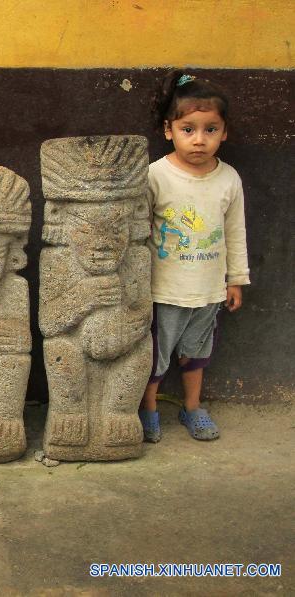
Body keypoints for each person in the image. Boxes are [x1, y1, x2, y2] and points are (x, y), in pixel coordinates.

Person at [139, 71, 250, 442]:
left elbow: (235, 231)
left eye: (210, 129)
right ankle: (149, 410)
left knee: (197, 355)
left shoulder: (228, 179)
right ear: (169, 130)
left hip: (207, 291)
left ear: (224, 132)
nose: (199, 140)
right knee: (157, 356)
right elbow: (138, 231)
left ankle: (192, 407)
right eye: (188, 129)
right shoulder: (156, 176)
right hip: (164, 289)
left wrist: (235, 279)